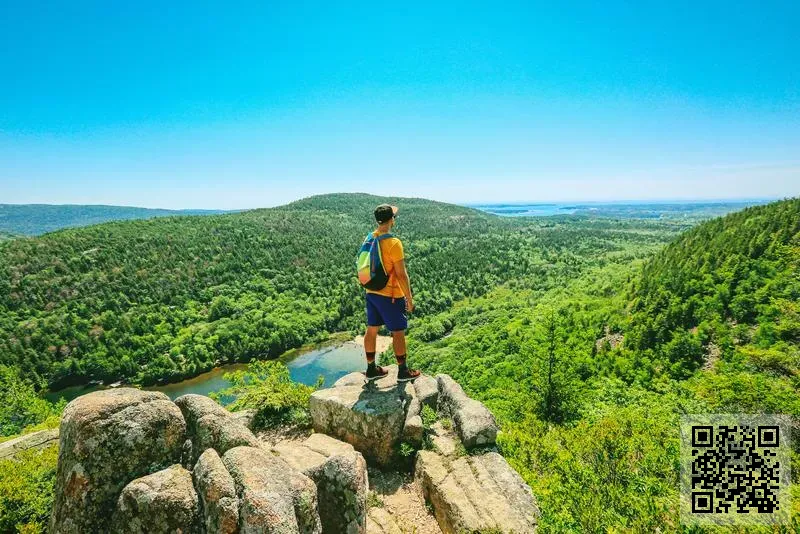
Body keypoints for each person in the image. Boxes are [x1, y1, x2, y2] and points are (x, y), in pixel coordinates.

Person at [363, 204, 421, 381]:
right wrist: (409, 299)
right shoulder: (394, 243)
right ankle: (403, 371)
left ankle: (371, 369)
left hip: (371, 292)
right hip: (391, 296)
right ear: (391, 220)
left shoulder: (369, 238)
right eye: (394, 217)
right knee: (398, 332)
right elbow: (402, 275)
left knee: (372, 329)